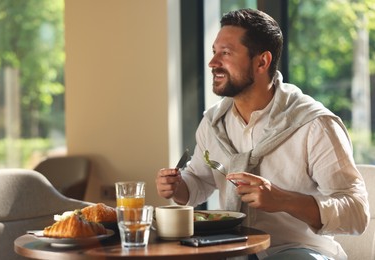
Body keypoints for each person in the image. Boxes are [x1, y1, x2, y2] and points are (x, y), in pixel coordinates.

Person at [155, 8, 369, 260]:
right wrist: (177, 186)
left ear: (262, 61)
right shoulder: (213, 123)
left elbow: (356, 213)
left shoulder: (314, 124)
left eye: (226, 53)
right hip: (232, 249)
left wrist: (283, 200)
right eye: (214, 52)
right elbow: (199, 182)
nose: (213, 63)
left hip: (299, 250)